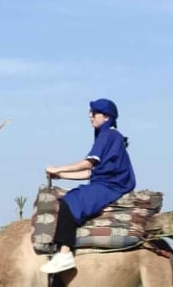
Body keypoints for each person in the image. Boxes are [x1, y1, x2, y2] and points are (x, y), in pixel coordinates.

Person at [42, 98, 136, 274]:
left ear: (106, 117)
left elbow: (88, 164)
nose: (90, 116)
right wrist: (61, 175)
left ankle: (64, 253)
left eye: (94, 113)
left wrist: (58, 167)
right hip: (104, 182)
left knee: (70, 202)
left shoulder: (109, 135)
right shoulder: (107, 135)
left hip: (111, 186)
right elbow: (91, 173)